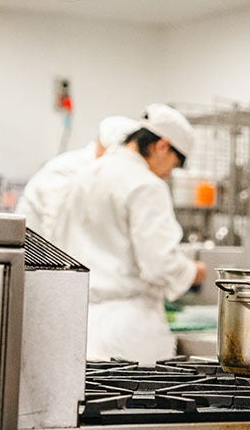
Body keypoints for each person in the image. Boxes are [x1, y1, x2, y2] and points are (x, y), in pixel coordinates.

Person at [52, 103, 207, 363]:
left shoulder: (83, 176)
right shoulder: (146, 186)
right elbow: (160, 265)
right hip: (128, 332)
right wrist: (193, 271)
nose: (170, 173)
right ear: (162, 146)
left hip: (78, 325)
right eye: (175, 163)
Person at [16, 115, 140, 240]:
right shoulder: (66, 170)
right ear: (108, 151)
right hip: (36, 250)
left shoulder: (102, 172)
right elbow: (54, 225)